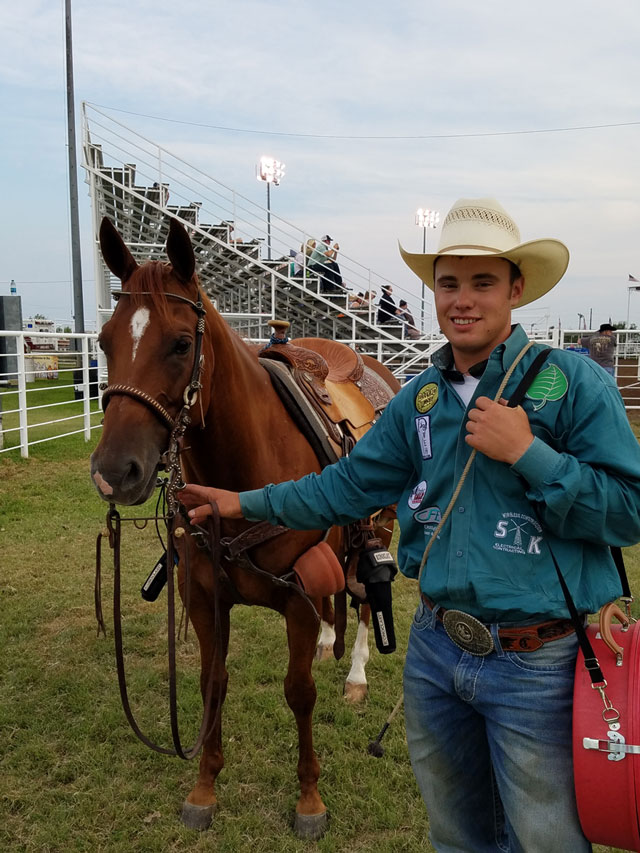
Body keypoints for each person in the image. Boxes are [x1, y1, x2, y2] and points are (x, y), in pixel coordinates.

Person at [178, 197, 640, 852]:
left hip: (538, 660)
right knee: (455, 835)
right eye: (449, 283)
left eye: (482, 282)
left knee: (546, 841)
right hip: (436, 649)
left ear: (516, 289)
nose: (462, 300)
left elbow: (629, 509)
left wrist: (529, 454)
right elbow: (344, 487)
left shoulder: (571, 384)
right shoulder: (419, 398)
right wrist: (242, 503)